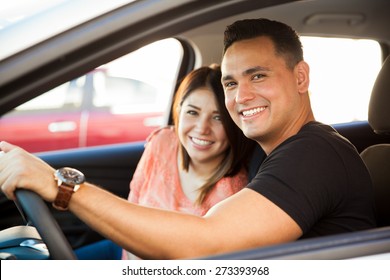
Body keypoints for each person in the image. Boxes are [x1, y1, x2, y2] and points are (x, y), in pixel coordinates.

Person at [0, 18, 376, 260]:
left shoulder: (316, 153)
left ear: (300, 78)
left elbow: (206, 245)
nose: (240, 96)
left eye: (258, 76)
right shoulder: (276, 155)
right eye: (231, 82)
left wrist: (60, 186)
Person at [78, 64, 256, 260]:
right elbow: (133, 204)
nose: (202, 128)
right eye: (192, 112)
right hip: (123, 249)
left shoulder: (234, 193)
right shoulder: (162, 142)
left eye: (217, 117)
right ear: (178, 111)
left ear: (233, 123)